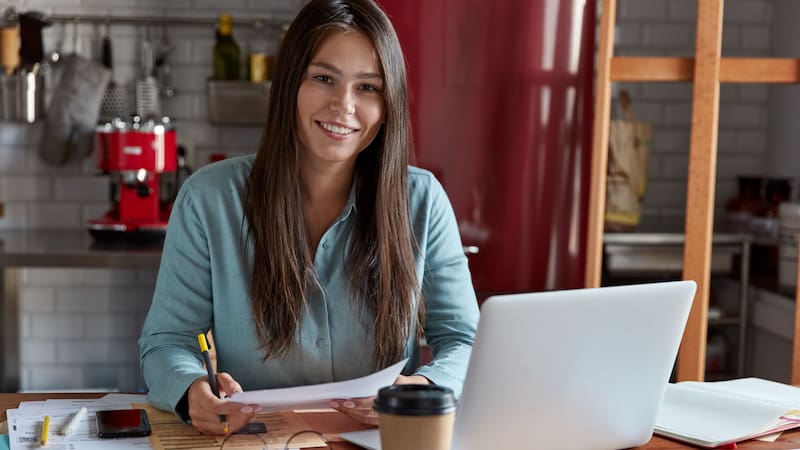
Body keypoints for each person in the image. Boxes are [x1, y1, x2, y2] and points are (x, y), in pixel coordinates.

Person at [139, 0, 479, 435]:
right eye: (323, 79)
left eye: (368, 88)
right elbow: (168, 341)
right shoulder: (209, 199)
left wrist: (423, 387)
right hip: (253, 441)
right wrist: (190, 391)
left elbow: (466, 341)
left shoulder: (423, 200)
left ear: (389, 101)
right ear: (289, 84)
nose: (344, 105)